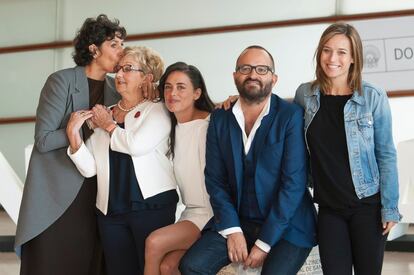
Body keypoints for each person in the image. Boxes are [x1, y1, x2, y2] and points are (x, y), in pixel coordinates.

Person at [179, 45, 317, 275]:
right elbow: (215, 180)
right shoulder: (220, 118)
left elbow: (293, 185)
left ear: (274, 78)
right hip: (239, 219)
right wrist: (233, 230)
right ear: (235, 76)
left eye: (262, 69)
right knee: (192, 266)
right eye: (245, 68)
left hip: (288, 225)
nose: (253, 74)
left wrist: (264, 244)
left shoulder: (290, 116)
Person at [15, 14, 125, 275]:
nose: (122, 51)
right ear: (93, 48)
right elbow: (43, 140)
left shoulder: (116, 89)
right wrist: (81, 127)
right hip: (57, 193)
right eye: (114, 44)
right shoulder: (60, 81)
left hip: (97, 192)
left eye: (123, 44)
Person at [294, 22, 401, 275]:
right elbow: (274, 115)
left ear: (354, 57)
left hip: (368, 206)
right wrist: (235, 100)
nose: (333, 58)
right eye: (327, 50)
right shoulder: (305, 95)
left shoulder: (372, 96)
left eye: (342, 52)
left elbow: (386, 154)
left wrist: (390, 207)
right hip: (329, 208)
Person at [67, 46, 178, 275]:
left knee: (151, 269)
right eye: (118, 69)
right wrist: (73, 135)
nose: (118, 74)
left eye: (127, 69)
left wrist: (107, 125)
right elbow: (89, 169)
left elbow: (136, 146)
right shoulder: (104, 113)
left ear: (147, 77)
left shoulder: (157, 110)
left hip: (151, 206)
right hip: (110, 210)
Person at [144, 62, 215, 275]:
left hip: (211, 213)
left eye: (181, 87)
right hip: (189, 212)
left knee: (154, 242)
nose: (172, 93)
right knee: (168, 267)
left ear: (197, 93)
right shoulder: (171, 126)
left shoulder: (210, 123)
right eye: (168, 87)